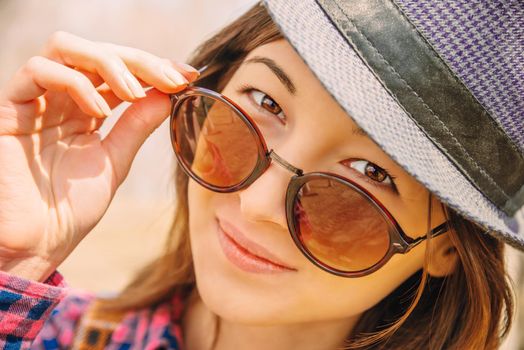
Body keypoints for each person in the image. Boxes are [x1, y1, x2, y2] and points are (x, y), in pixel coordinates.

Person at [0, 1, 522, 349]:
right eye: (264, 101)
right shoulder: (49, 333)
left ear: (446, 248)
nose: (257, 203)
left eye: (370, 172)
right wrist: (16, 259)